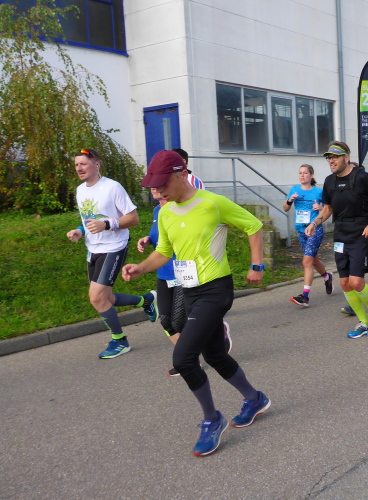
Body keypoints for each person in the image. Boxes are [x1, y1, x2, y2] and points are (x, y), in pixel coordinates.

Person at [122, 150, 271, 457]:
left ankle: (212, 419)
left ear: (181, 175)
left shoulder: (212, 203)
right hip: (189, 290)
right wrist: (141, 268)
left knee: (183, 358)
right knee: (215, 354)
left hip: (215, 290)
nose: (158, 191)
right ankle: (254, 399)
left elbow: (254, 226)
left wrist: (256, 265)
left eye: (163, 184)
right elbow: (164, 252)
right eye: (154, 186)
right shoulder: (166, 213)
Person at [66, 149, 158, 359]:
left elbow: (133, 219)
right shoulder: (80, 190)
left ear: (96, 164)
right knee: (106, 298)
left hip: (114, 247)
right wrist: (79, 231)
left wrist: (107, 224)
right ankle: (145, 301)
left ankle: (120, 341)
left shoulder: (112, 187)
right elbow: (88, 220)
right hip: (93, 249)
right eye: (76, 165)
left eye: (83, 164)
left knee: (96, 297)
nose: (79, 168)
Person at [138, 186, 233, 377]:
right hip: (164, 273)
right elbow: (163, 238)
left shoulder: (184, 207)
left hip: (184, 273)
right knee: (166, 321)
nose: (153, 188)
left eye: (158, 185)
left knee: (179, 321)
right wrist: (148, 239)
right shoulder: (158, 211)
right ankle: (191, 359)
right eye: (151, 186)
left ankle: (192, 356)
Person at [306, 142, 368, 339]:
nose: (331, 161)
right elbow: (328, 209)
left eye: (335, 157)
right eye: (329, 158)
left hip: (361, 234)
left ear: (346, 157)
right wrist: (315, 223)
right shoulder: (329, 181)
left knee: (356, 281)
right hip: (341, 235)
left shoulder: (362, 177)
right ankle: (362, 321)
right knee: (345, 283)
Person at [283, 164, 334, 307]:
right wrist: (289, 201)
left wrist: (320, 207)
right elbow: (285, 208)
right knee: (314, 260)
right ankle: (327, 277)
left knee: (306, 262)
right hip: (301, 230)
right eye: (300, 173)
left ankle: (305, 296)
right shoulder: (294, 190)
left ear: (311, 175)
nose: (302, 175)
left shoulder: (319, 192)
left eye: (305, 173)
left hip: (314, 230)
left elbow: (329, 209)